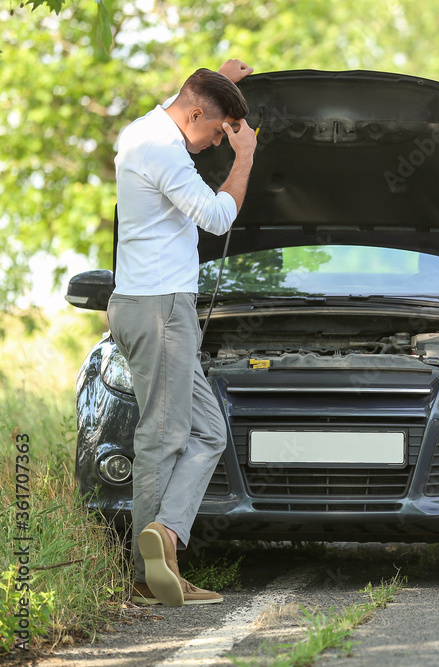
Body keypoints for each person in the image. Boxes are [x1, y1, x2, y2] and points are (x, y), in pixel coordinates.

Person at [107, 59, 257, 606]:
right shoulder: (165, 151)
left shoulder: (143, 128)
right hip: (160, 309)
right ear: (194, 114)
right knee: (164, 437)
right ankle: (152, 576)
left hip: (150, 305)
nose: (217, 142)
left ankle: (164, 534)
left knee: (209, 433)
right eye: (217, 130)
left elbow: (189, 99)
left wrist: (220, 82)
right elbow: (217, 217)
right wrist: (244, 159)